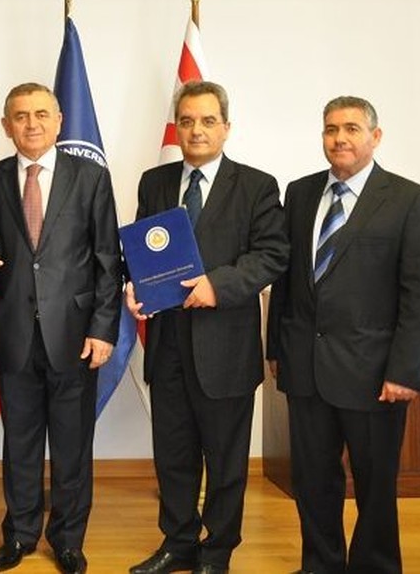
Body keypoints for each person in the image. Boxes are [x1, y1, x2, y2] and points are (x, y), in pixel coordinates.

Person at [266, 96, 420, 574]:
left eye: (351, 129)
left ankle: (376, 567)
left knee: (374, 488)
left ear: (375, 137)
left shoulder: (410, 199)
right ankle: (320, 565)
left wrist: (405, 371)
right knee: (313, 483)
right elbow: (285, 278)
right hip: (305, 371)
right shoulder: (299, 194)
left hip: (375, 376)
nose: (339, 138)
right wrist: (277, 348)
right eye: (329, 129)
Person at [125, 80, 288, 574]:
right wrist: (134, 288)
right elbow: (140, 252)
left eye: (208, 120)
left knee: (225, 462)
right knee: (173, 457)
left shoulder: (257, 185)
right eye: (188, 120)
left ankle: (217, 551)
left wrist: (217, 286)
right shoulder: (154, 182)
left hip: (226, 349)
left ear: (226, 127)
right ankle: (177, 542)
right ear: (177, 126)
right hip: (168, 345)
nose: (196, 130)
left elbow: (271, 255)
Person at [0, 83, 122, 574]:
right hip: (13, 332)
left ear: (58, 121)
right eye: (20, 116)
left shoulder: (90, 177)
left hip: (75, 335)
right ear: (5, 125)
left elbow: (106, 260)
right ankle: (21, 534)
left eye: (40, 114)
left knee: (73, 446)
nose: (31, 124)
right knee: (21, 443)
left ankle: (68, 539)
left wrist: (103, 328)